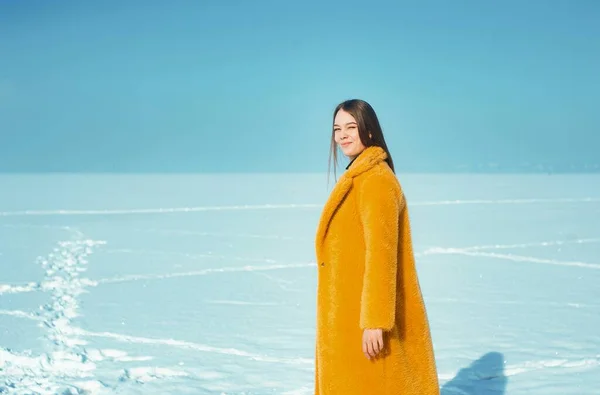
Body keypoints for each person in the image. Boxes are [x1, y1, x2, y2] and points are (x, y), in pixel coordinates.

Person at [314, 99, 440, 394]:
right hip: (346, 314)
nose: (342, 135)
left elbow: (381, 253)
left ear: (369, 131)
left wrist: (374, 321)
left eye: (351, 127)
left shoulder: (376, 181)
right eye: (337, 129)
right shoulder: (359, 177)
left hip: (363, 321)